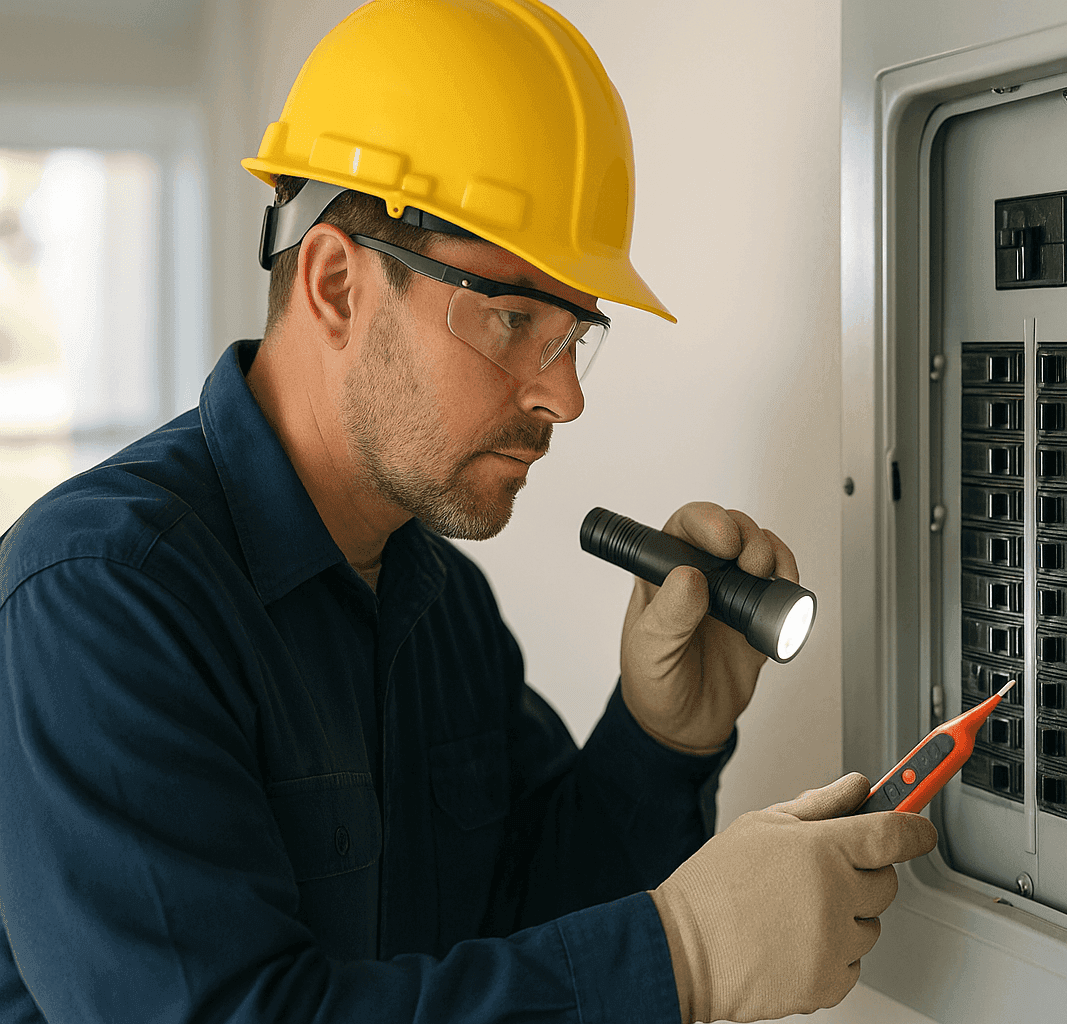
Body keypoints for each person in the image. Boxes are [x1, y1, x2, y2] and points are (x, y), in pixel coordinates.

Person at [0, 2, 935, 1023]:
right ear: (336, 286)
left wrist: (660, 740)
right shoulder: (100, 599)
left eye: (576, 332)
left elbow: (530, 923)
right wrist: (680, 962)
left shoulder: (440, 604)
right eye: (512, 317)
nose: (564, 395)